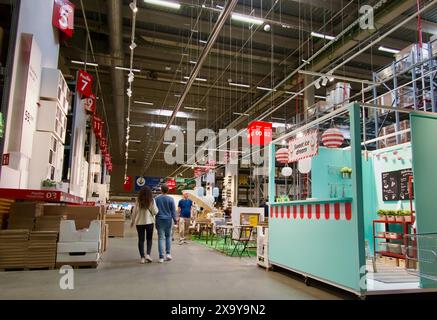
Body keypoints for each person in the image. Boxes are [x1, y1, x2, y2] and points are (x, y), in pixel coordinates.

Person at [130, 186, 158, 264]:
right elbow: (155, 211)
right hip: (149, 222)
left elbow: (134, 212)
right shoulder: (152, 200)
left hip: (139, 223)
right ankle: (148, 255)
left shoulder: (138, 200)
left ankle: (142, 258)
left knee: (141, 240)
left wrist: (132, 221)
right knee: (149, 239)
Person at [155, 184, 178, 263]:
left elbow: (154, 210)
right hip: (168, 220)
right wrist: (175, 220)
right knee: (168, 237)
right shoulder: (171, 199)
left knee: (161, 238)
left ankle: (161, 257)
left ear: (161, 190)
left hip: (159, 220)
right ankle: (168, 254)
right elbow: (173, 211)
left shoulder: (157, 199)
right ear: (168, 190)